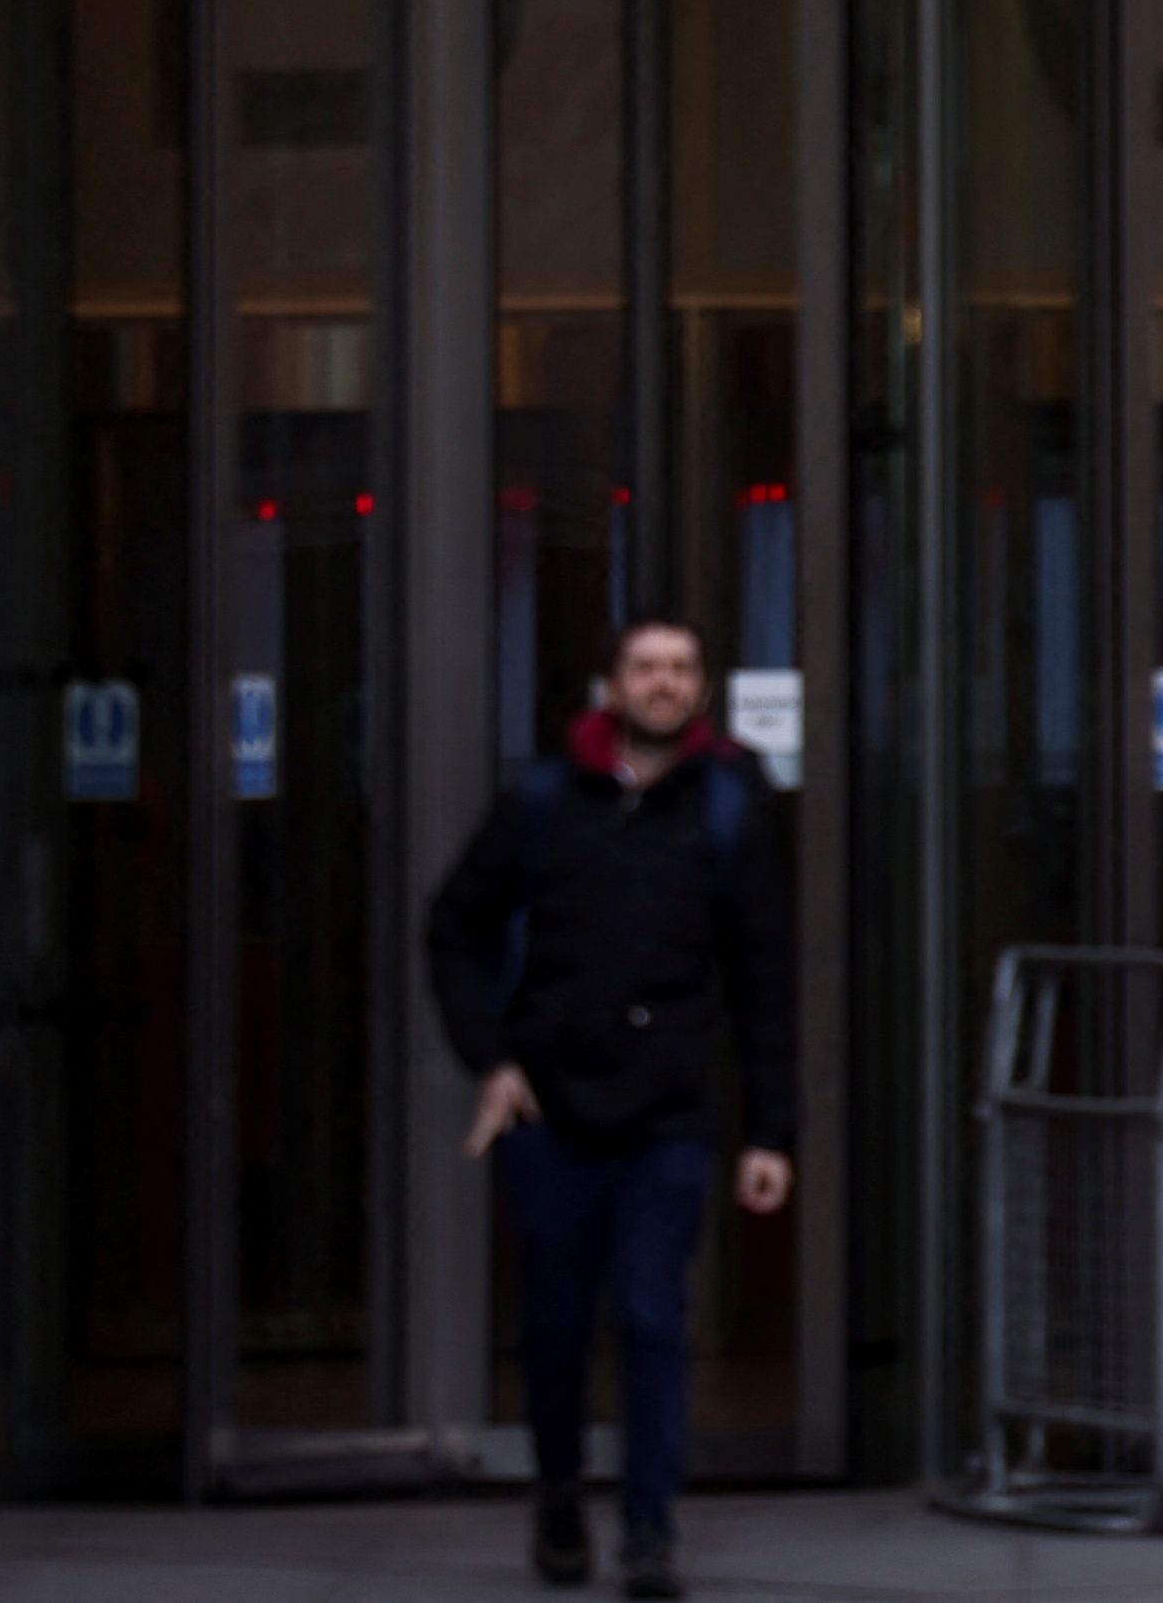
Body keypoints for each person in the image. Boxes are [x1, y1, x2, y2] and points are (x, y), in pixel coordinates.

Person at [424, 617, 796, 1600]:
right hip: (548, 1111)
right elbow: (452, 925)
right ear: (611, 686)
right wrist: (490, 1060)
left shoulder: (729, 806)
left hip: (668, 1111)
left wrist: (771, 1130)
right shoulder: (544, 799)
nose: (663, 683)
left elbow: (766, 978)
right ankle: (558, 1494)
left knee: (650, 1317)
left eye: (680, 668)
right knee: (553, 1330)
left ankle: (648, 1529)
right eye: (645, 667)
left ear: (701, 687)